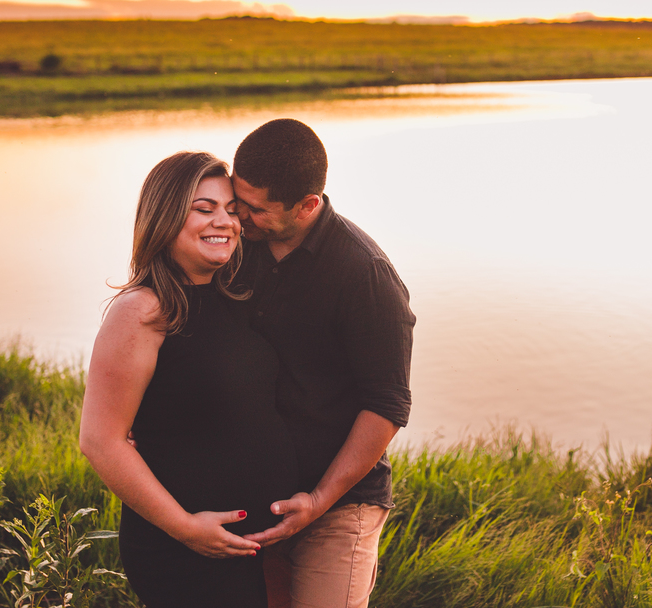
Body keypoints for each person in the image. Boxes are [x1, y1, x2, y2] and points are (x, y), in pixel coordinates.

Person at [80, 151, 298, 608]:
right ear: (165, 216)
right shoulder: (141, 310)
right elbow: (101, 440)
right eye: (204, 209)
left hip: (257, 547)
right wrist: (185, 528)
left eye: (232, 210)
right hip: (185, 554)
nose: (225, 221)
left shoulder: (234, 295)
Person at [230, 119, 415, 608]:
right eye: (236, 200)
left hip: (338, 503)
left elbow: (387, 404)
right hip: (253, 495)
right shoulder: (235, 248)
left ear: (308, 205)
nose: (239, 217)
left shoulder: (365, 275)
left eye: (255, 208)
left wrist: (317, 501)